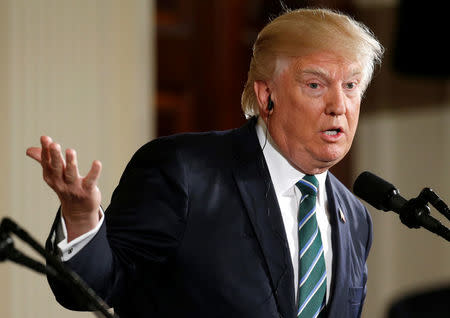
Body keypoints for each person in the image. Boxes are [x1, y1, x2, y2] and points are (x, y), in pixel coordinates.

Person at [27, 8, 383, 318]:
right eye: (316, 85)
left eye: (351, 85)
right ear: (266, 94)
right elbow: (93, 288)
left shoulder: (354, 217)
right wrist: (80, 220)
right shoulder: (183, 172)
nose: (339, 105)